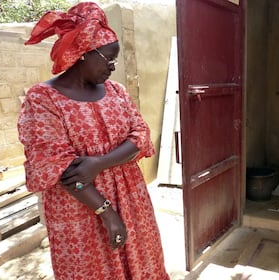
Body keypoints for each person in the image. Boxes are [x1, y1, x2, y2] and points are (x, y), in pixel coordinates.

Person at [17, 2, 169, 280]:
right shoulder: (43, 99)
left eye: (115, 59)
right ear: (83, 53)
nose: (113, 66)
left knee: (142, 263)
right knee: (94, 270)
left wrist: (98, 163)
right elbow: (59, 168)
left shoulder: (116, 91)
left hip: (132, 199)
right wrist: (107, 213)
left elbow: (140, 134)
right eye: (108, 58)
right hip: (80, 209)